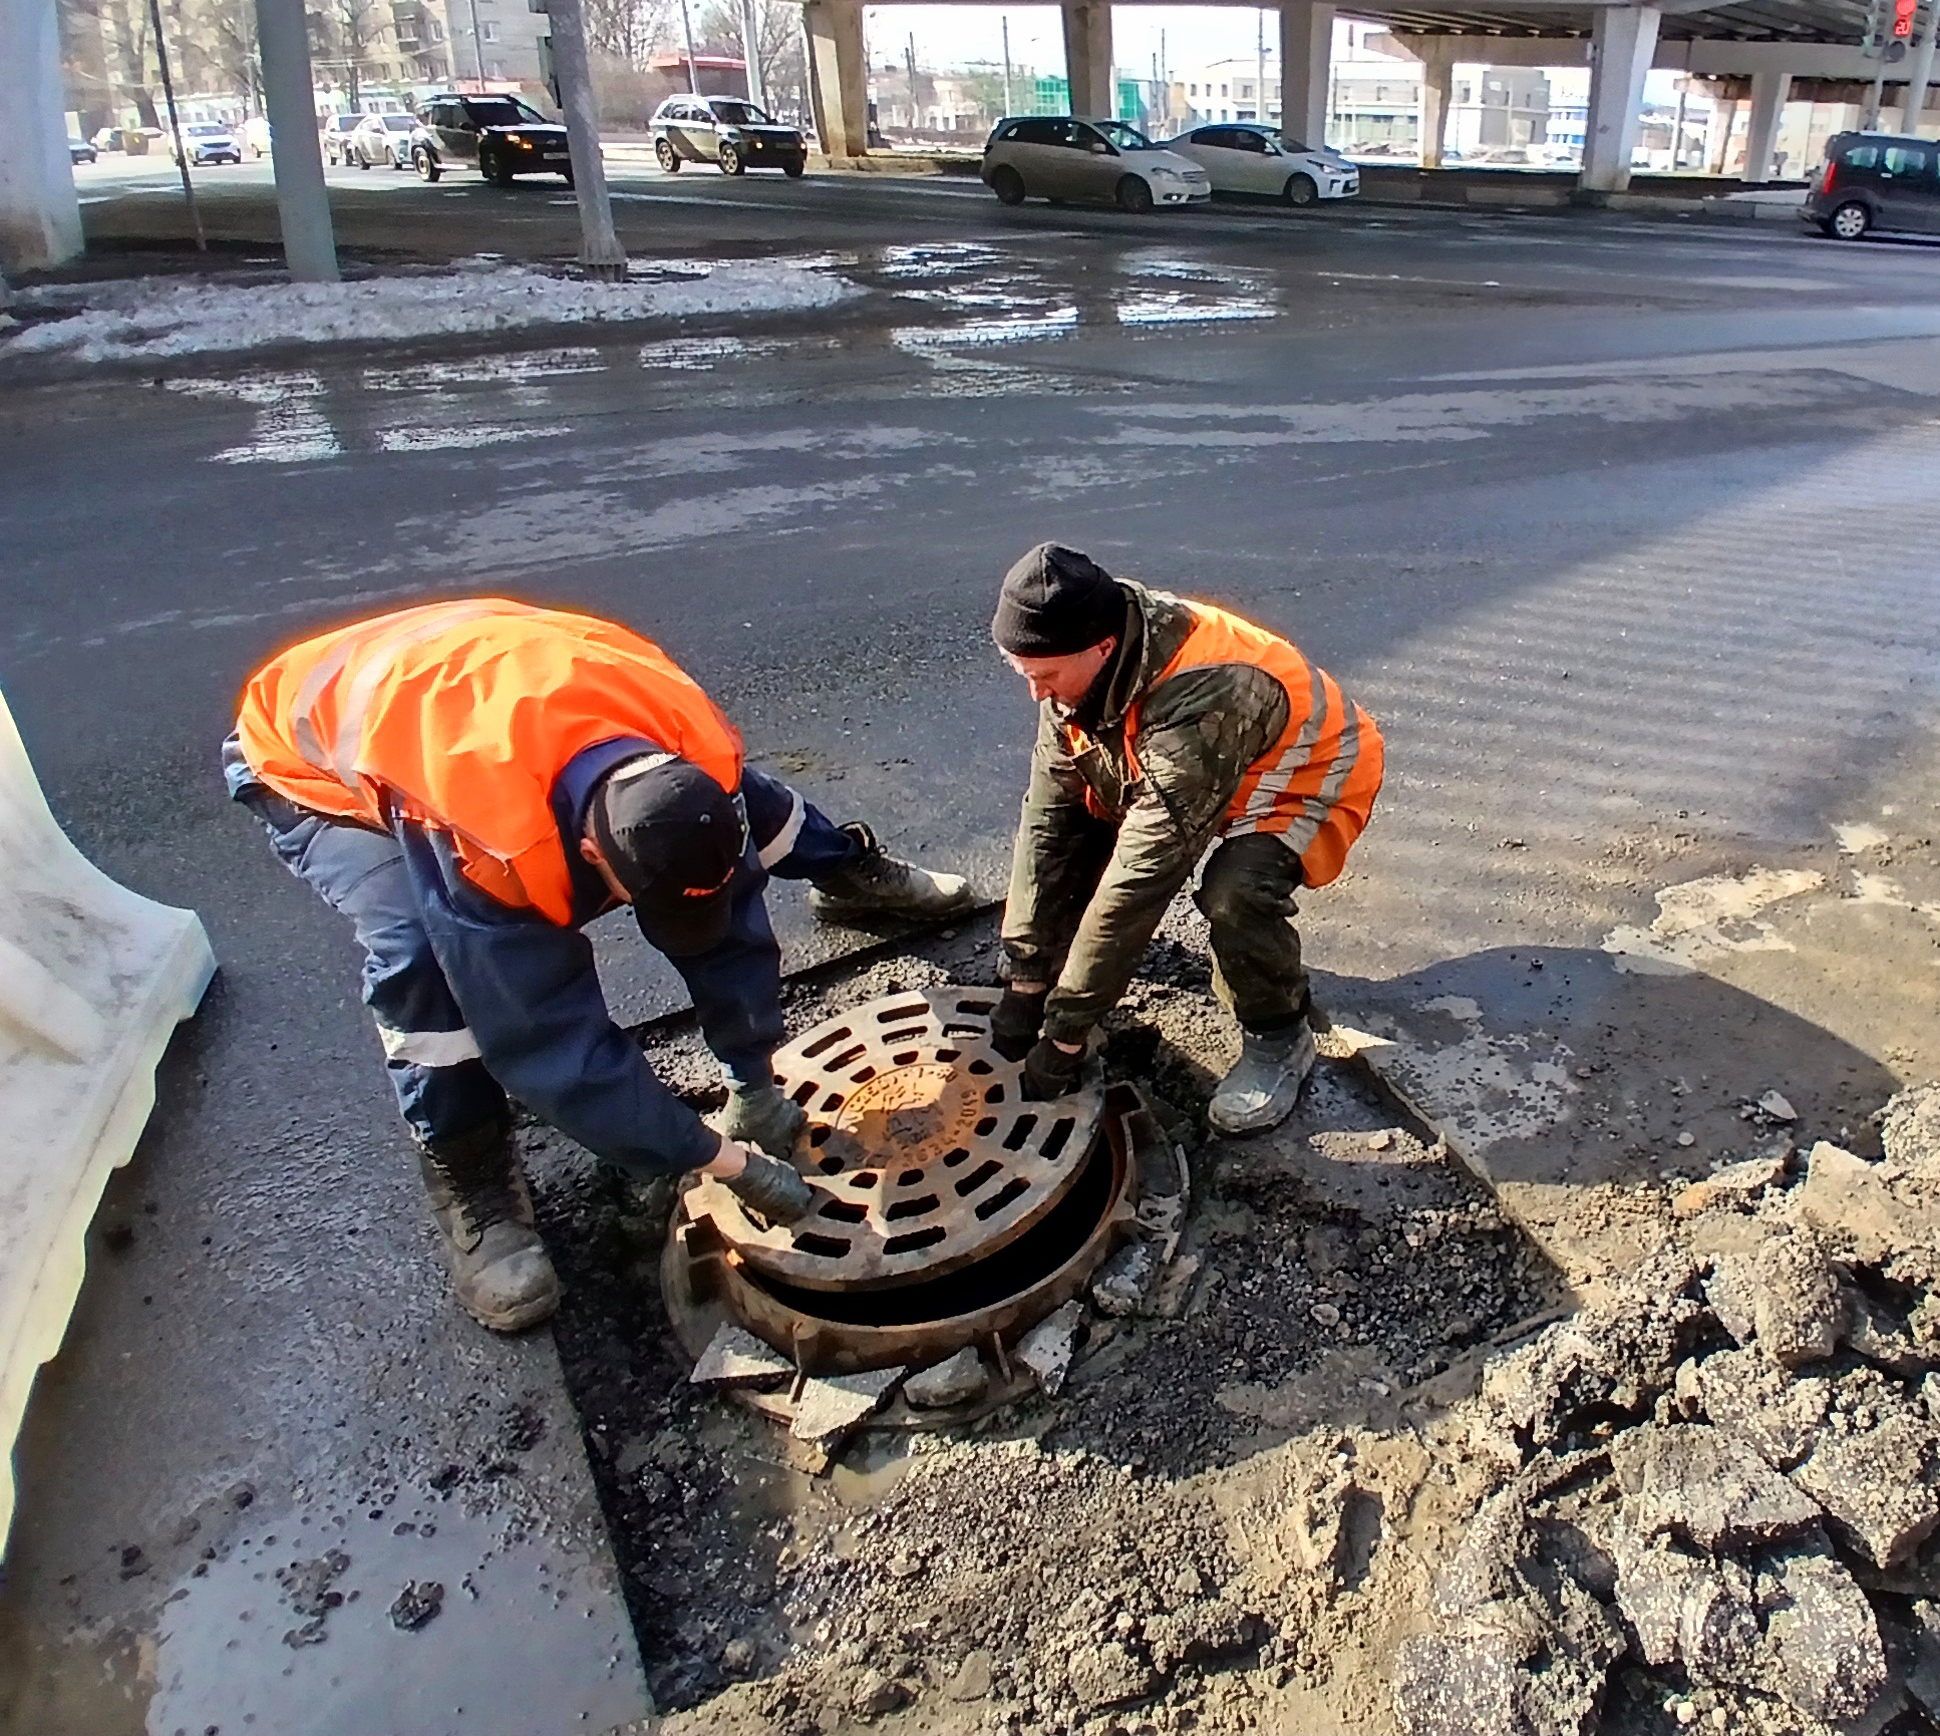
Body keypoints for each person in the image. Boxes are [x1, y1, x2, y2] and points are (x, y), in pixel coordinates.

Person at [223, 597, 975, 1332]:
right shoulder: (491, 843)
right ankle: (470, 1176)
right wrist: (714, 1158)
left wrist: (752, 1075)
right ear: (587, 853)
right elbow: (547, 1037)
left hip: (497, 674)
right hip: (315, 762)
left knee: (725, 812)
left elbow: (729, 910)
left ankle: (845, 869)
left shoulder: (692, 743)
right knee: (424, 965)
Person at [988, 545, 1382, 1135]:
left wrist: (1067, 1030)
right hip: (1201, 762)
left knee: (1235, 894)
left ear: (1102, 649)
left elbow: (1142, 880)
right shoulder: (1075, 644)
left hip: (1302, 775)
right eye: (1024, 675)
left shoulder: (1208, 690)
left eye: (1045, 678)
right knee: (1080, 820)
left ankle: (1278, 1035)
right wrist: (1025, 975)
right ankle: (1058, 973)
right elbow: (1050, 820)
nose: (1036, 695)